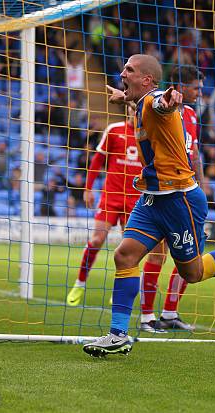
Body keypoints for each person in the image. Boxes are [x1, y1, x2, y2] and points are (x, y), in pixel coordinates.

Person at [83, 54, 215, 357]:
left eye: (129, 70)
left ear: (147, 80)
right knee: (125, 256)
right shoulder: (141, 103)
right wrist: (126, 100)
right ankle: (117, 335)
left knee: (192, 273)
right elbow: (149, 105)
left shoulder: (156, 99)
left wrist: (170, 98)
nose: (121, 74)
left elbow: (161, 103)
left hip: (180, 199)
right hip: (153, 198)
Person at [139, 66, 207, 333]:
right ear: (179, 86)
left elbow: (195, 153)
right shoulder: (159, 108)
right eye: (195, 88)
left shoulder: (191, 114)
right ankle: (146, 317)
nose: (200, 93)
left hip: (187, 192)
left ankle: (169, 312)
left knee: (187, 254)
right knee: (157, 254)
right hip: (162, 191)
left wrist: (201, 186)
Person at [65, 107, 143, 306]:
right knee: (97, 239)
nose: (133, 112)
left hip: (135, 200)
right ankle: (80, 283)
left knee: (130, 249)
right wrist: (88, 188)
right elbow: (97, 160)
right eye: (131, 108)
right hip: (111, 196)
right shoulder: (115, 130)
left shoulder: (149, 135)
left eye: (137, 109)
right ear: (127, 109)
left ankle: (121, 289)